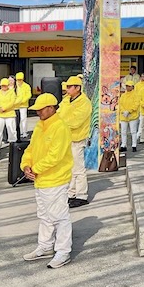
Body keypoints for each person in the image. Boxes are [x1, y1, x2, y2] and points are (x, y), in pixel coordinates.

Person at [21, 93, 74, 269]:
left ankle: (63, 251)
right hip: (41, 179)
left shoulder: (60, 127)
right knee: (44, 215)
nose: (38, 112)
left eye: (41, 109)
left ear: (51, 108)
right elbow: (30, 148)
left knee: (59, 216)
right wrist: (26, 165)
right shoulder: (40, 126)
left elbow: (55, 156)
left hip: (56, 179)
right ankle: (45, 246)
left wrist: (35, 169)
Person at [58, 75, 93, 208]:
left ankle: (81, 195)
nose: (67, 89)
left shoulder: (84, 102)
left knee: (78, 169)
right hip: (66, 138)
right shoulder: (66, 100)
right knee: (70, 168)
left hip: (77, 139)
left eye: (69, 86)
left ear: (77, 88)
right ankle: (71, 194)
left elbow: (75, 121)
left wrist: (61, 123)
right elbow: (58, 113)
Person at [119, 81, 141, 153]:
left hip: (132, 115)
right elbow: (120, 104)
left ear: (132, 87)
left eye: (129, 86)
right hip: (124, 116)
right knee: (123, 131)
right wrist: (123, 111)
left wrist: (129, 111)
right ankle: (123, 145)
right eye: (127, 86)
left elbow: (136, 104)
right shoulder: (123, 95)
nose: (128, 87)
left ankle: (134, 145)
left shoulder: (136, 95)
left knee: (133, 131)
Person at [0, 78, 19, 145]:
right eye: (2, 86)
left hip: (10, 114)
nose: (3, 87)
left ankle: (13, 144)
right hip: (0, 114)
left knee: (11, 129)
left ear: (8, 85)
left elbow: (12, 102)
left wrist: (4, 108)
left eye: (5, 85)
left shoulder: (12, 92)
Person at [14, 72, 33, 140]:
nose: (19, 81)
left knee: (23, 119)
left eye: (20, 79)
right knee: (15, 119)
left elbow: (29, 95)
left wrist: (22, 101)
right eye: (18, 79)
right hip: (15, 105)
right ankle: (16, 131)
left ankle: (24, 132)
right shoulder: (14, 85)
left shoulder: (26, 86)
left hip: (23, 105)